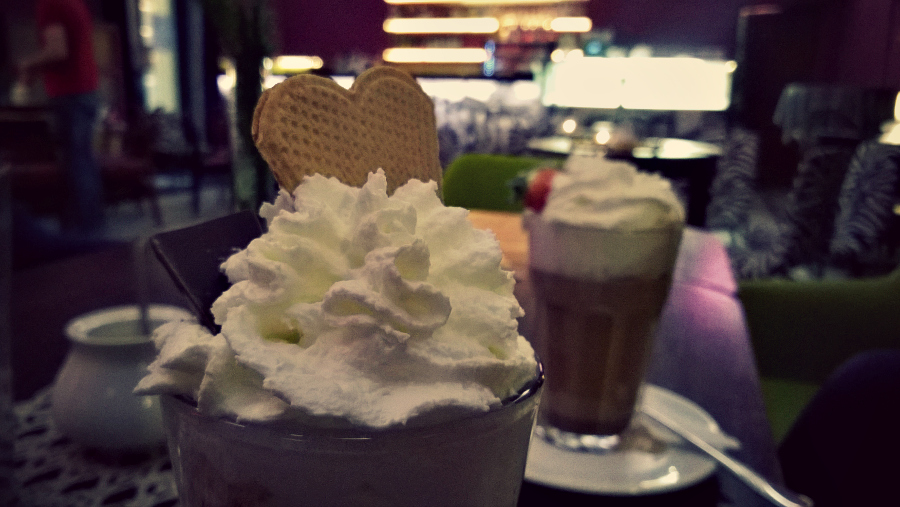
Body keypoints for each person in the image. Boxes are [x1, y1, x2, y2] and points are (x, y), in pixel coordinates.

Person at [17, 0, 104, 235]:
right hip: (87, 90)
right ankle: (90, 230)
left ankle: (83, 235)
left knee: (76, 164)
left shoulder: (50, 3)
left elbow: (57, 51)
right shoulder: (74, 2)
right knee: (83, 161)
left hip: (70, 93)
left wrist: (27, 65)